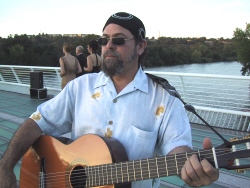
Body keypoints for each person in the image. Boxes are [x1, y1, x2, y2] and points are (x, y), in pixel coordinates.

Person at [0, 12, 219, 188]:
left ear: (141, 46)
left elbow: (177, 150)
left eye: (119, 40)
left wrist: (192, 168)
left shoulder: (166, 101)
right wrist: (5, 167)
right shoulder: (80, 87)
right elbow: (37, 122)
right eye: (104, 40)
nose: (108, 45)